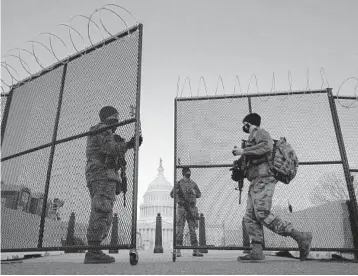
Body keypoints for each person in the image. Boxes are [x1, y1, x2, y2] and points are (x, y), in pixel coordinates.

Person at [232, 112, 312, 263]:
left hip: (264, 178)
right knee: (250, 217)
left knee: (262, 213)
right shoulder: (251, 139)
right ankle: (256, 251)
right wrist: (239, 168)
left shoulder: (260, 132)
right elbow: (254, 159)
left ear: (249, 123)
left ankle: (301, 237)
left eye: (244, 124)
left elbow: (267, 146)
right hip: (255, 180)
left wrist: (243, 151)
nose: (243, 127)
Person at [84, 106, 142, 264]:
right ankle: (93, 251)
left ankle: (94, 249)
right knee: (102, 211)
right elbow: (108, 148)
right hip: (102, 175)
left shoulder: (103, 131)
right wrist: (130, 144)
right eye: (116, 119)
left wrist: (125, 145)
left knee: (102, 210)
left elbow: (111, 150)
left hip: (99, 175)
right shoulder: (104, 129)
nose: (117, 123)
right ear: (111, 118)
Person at [170, 167, 203, 257]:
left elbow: (199, 194)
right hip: (181, 209)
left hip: (191, 208)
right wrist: (178, 198)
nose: (188, 173)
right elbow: (172, 194)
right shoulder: (178, 184)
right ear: (184, 173)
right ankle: (178, 250)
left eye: (189, 172)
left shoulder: (193, 183)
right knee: (180, 229)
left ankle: (195, 250)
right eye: (187, 172)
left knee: (192, 229)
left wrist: (194, 192)